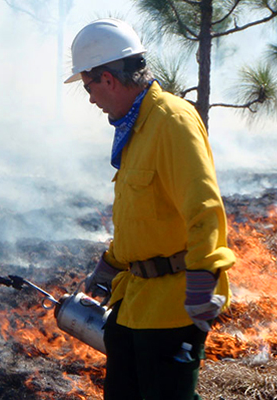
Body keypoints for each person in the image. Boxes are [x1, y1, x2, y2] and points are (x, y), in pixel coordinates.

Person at [64, 19, 236, 400]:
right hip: (134, 305)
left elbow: (204, 205)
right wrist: (111, 263)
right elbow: (144, 212)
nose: (90, 98)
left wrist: (204, 276)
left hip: (171, 309)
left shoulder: (171, 121)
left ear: (107, 78)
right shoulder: (135, 125)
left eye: (88, 86)